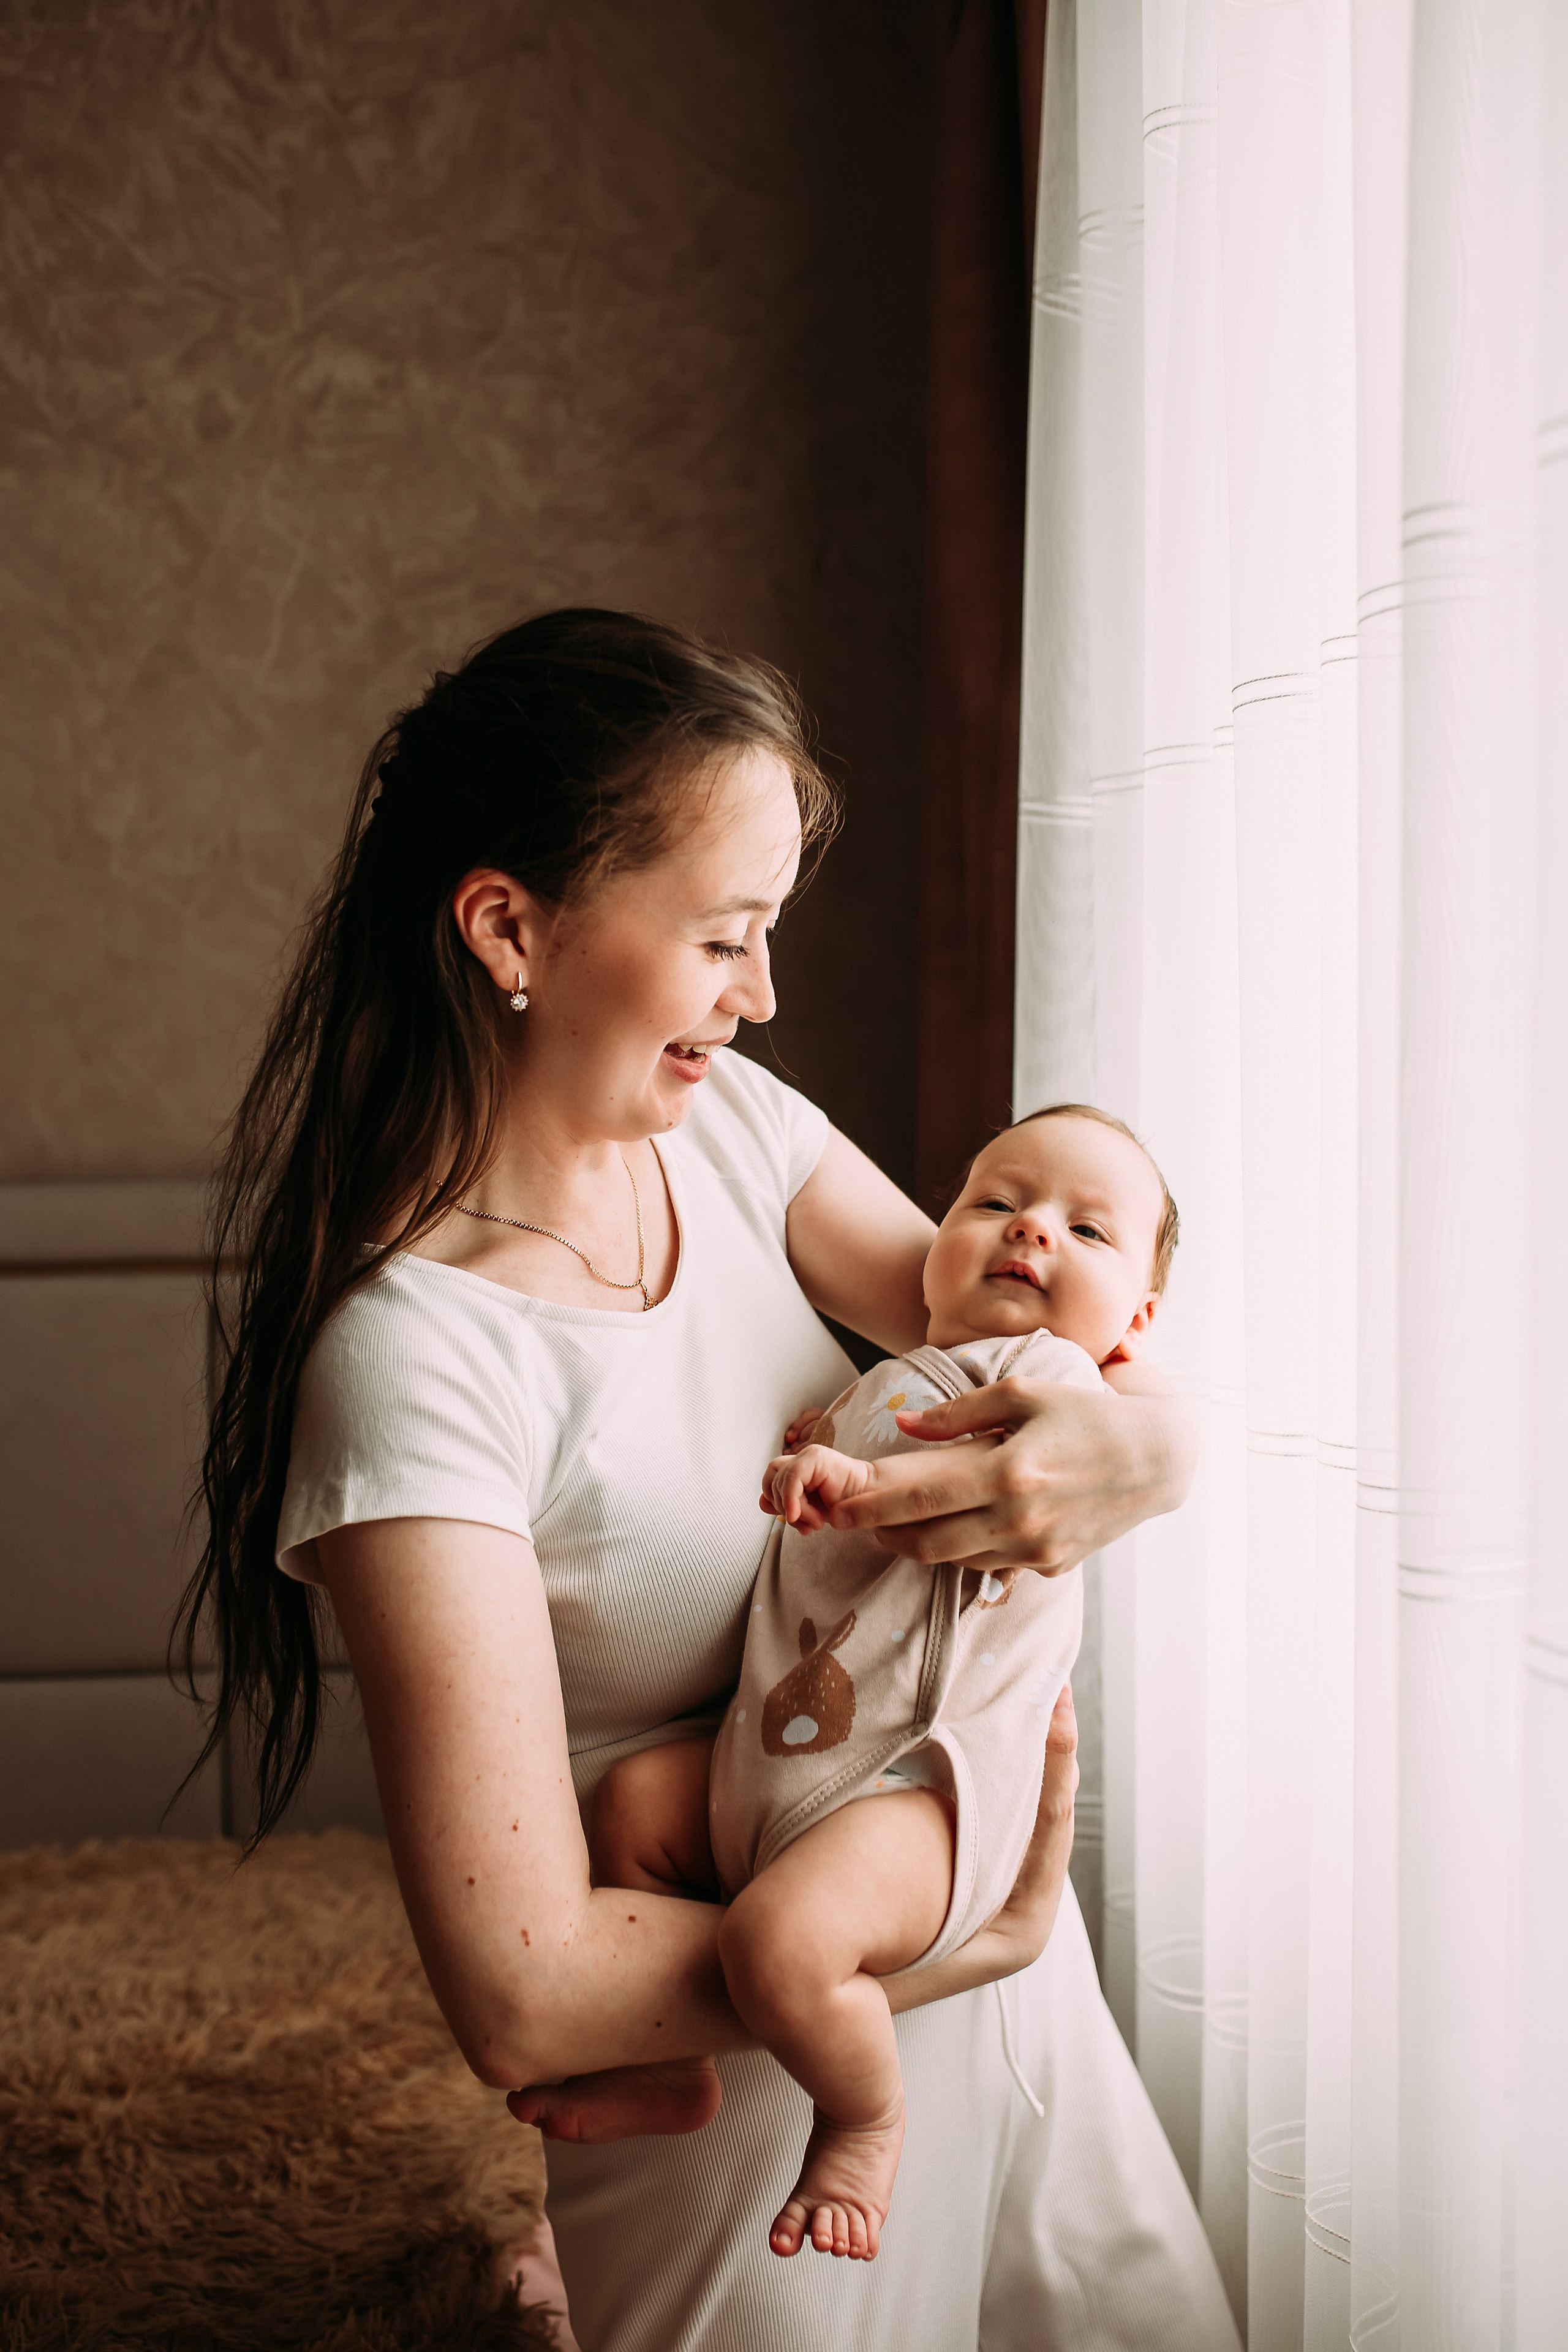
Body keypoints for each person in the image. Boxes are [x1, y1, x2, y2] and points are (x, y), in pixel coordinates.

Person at [178, 609, 1240, 2352]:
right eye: (729, 940)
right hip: (773, 2106)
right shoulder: (419, 1367)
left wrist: (1161, 1443)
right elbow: (523, 1997)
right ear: (512, 927)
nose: (763, 997)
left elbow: (1031, 1337)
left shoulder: (732, 1132)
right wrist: (975, 1933)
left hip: (973, 1977)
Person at [560, 1106, 1175, 2268]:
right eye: (995, 1201)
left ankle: (861, 2119)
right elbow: (879, 1440)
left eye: (1087, 1232)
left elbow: (966, 1486)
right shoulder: (890, 1377)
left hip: (915, 1788)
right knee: (636, 1807)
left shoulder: (1051, 1384)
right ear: (935, 1236)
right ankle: (664, 2062)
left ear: (1135, 1324)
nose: (1030, 1231)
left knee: (781, 1943)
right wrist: (828, 1429)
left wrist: (847, 1472)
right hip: (782, 1762)